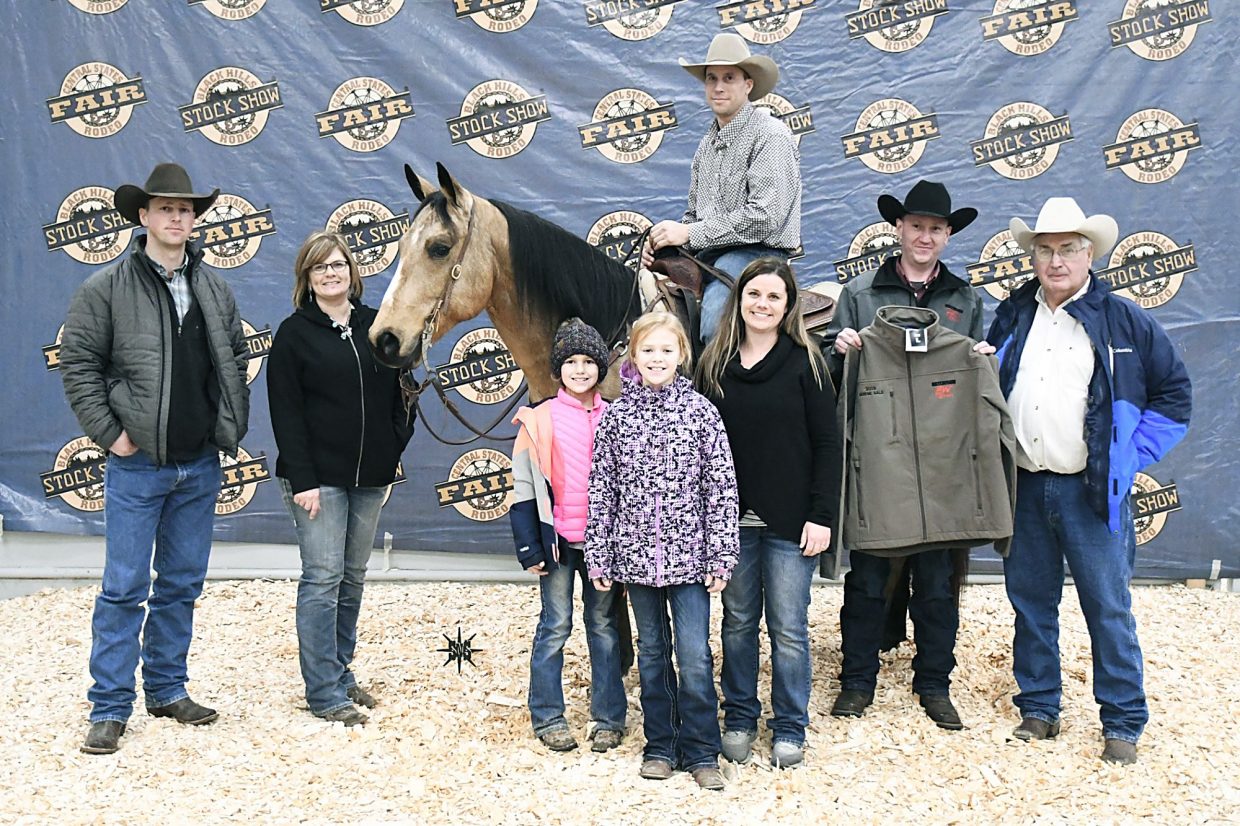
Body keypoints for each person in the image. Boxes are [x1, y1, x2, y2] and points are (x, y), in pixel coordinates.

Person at [986, 197, 1191, 764]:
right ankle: (1039, 707)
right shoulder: (1013, 314)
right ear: (1033, 258)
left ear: (1089, 255)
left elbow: (1174, 395)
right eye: (1046, 250)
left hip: (1091, 489)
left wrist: (1129, 455)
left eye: (1068, 249)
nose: (1056, 261)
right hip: (1024, 484)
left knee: (1108, 606)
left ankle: (1122, 721)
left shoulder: (1124, 319)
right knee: (1030, 602)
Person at [60, 162, 250, 754]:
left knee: (182, 584)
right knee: (123, 587)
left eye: (185, 209)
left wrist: (223, 425)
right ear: (142, 216)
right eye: (165, 208)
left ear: (194, 221)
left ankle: (167, 690)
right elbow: (78, 364)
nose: (176, 217)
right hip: (137, 465)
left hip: (199, 464)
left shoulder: (214, 287)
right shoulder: (106, 287)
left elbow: (235, 357)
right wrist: (111, 434)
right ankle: (109, 707)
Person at [821, 180, 985, 730]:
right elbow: (829, 369)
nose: (925, 236)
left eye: (936, 228)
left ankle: (934, 683)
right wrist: (838, 347)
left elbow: (974, 379)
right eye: (916, 225)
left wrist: (981, 361)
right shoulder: (859, 293)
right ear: (899, 228)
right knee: (868, 577)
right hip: (880, 458)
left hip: (941, 463)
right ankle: (856, 681)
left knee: (938, 582)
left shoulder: (966, 301)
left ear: (948, 235)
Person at [586, 312, 739, 790]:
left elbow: (720, 488)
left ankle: (701, 749)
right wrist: (599, 553)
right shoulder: (617, 417)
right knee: (652, 653)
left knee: (693, 654)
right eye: (647, 350)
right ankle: (660, 745)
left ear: (681, 355)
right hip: (635, 561)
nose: (657, 358)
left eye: (666, 350)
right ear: (633, 356)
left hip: (690, 561)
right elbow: (603, 489)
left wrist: (721, 554)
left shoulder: (701, 413)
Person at [697, 258, 840, 768]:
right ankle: (739, 717)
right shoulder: (713, 364)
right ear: (739, 300)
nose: (762, 304)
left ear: (788, 306)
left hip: (791, 522)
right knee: (737, 622)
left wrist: (822, 515)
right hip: (731, 523)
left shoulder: (808, 363)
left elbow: (828, 445)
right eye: (754, 294)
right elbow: (698, 449)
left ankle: (790, 725)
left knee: (788, 627)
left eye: (773, 296)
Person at [267, 231, 414, 726]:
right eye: (320, 267)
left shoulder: (377, 324)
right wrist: (303, 479)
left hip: (371, 476)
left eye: (338, 264)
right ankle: (323, 690)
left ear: (352, 271)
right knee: (323, 578)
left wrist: (392, 447)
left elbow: (402, 391)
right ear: (306, 278)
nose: (331, 273)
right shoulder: (294, 334)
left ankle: (340, 671)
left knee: (352, 577)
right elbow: (286, 412)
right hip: (317, 480)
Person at [508, 318, 627, 754]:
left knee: (604, 627)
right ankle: (548, 715)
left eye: (588, 362)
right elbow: (524, 485)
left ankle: (609, 718)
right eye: (571, 362)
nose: (580, 369)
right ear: (558, 369)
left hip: (602, 546)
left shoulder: (616, 416)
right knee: (555, 625)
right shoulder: (538, 419)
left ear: (600, 368)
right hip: (556, 543)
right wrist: (529, 546)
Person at [641, 32, 801, 343]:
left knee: (715, 324)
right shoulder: (706, 146)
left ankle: (728, 374)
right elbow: (693, 216)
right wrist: (665, 242)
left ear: (748, 85)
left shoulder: (770, 135)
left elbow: (765, 217)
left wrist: (689, 233)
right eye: (711, 78)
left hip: (760, 254)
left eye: (729, 78)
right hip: (709, 256)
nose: (718, 87)